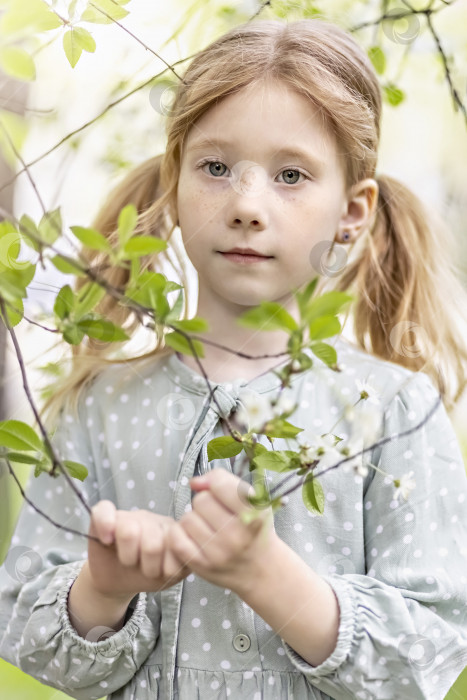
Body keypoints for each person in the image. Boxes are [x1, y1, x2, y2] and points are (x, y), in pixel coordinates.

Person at [1, 16, 467, 700]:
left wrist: (270, 576)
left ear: (352, 211)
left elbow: (428, 657)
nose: (247, 204)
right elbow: (27, 638)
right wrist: (100, 588)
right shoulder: (98, 405)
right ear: (176, 183)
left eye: (290, 174)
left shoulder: (392, 413)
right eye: (216, 167)